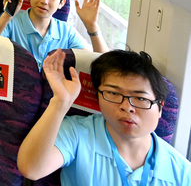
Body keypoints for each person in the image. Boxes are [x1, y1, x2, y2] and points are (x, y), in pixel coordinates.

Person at [17, 49, 191, 185]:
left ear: (160, 107)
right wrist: (61, 101)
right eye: (113, 93)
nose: (126, 107)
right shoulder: (77, 133)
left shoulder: (182, 173)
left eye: (140, 98)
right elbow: (31, 169)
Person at [0, 0, 109, 69]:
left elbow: (103, 63)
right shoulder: (11, 20)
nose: (44, 1)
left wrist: (92, 26)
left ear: (61, 3)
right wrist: (7, 15)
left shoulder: (66, 31)